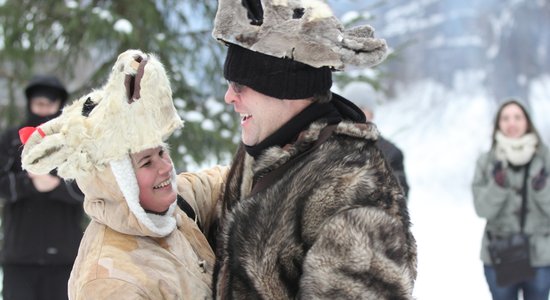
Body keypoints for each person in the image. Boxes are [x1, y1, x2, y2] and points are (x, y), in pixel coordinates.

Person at [208, 0, 417, 298]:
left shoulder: (352, 190)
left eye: (239, 85)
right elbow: (210, 195)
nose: (229, 97)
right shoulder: (267, 151)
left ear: (283, 87)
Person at [20, 49, 224, 299]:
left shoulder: (172, 204)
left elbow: (217, 183)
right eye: (147, 162)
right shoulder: (108, 282)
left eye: (161, 152)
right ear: (116, 180)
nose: (165, 167)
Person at [0, 75, 85, 300]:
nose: (44, 110)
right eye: (39, 104)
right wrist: (29, 182)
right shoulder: (10, 140)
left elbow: (89, 189)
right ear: (30, 104)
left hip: (65, 258)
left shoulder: (73, 142)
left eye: (50, 104)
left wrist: (56, 186)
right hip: (19, 257)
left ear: (59, 105)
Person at [472, 99, 550, 300]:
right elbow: (482, 209)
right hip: (499, 256)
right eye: (505, 118)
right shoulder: (487, 161)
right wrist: (498, 186)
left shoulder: (546, 158)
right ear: (498, 124)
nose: (511, 123)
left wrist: (542, 189)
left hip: (540, 255)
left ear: (527, 122)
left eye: (517, 117)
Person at [341, 81, 410, 198]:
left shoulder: (391, 153)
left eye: (362, 107)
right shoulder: (326, 144)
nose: (356, 112)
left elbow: (400, 197)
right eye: (351, 106)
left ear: (371, 113)